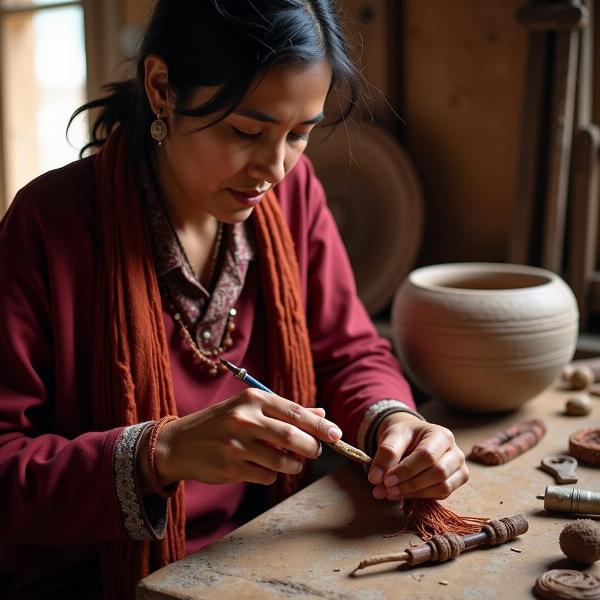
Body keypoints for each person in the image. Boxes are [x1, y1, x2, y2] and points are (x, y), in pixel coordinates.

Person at [0, 1, 469, 598]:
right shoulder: (51, 225)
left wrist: (397, 422)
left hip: (257, 553)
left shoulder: (292, 199)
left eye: (300, 133)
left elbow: (349, 351)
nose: (274, 167)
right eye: (246, 131)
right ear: (163, 87)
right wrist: (162, 451)